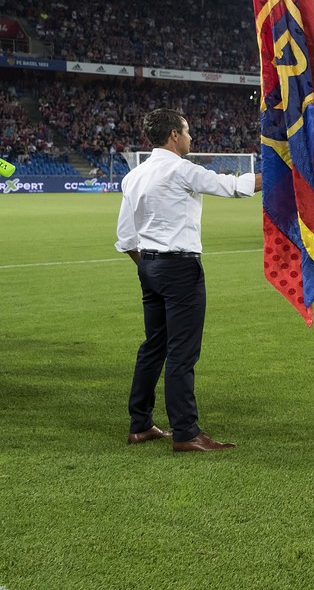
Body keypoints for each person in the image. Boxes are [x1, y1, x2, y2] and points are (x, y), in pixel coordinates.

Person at [114, 108, 261, 452]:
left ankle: (140, 424)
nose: (191, 137)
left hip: (148, 265)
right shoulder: (181, 169)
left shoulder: (134, 175)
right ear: (174, 136)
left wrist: (148, 266)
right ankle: (186, 433)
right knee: (182, 353)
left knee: (153, 347)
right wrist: (281, 175)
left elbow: (125, 236)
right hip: (180, 268)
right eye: (187, 131)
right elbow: (232, 187)